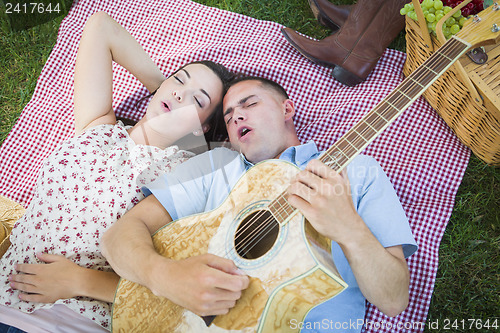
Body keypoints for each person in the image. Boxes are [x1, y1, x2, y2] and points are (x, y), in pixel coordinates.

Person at [101, 76, 418, 332]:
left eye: (249, 103)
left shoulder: (355, 170)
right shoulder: (217, 165)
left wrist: (349, 229)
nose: (236, 115)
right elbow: (118, 236)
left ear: (287, 109)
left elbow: (393, 300)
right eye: (227, 116)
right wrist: (164, 277)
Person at [0, 11, 233, 333]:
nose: (181, 93)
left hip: (66, 321)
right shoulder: (99, 128)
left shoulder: (185, 169)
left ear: (204, 126)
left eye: (198, 99)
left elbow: (171, 278)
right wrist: (162, 88)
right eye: (180, 80)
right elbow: (100, 27)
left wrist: (82, 281)